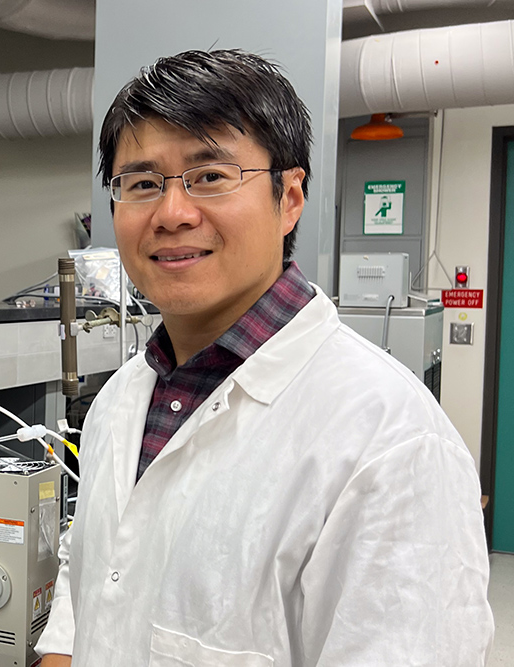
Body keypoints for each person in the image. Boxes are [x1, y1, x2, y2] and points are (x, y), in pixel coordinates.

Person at [36, 50, 493, 667]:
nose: (172, 214)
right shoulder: (122, 398)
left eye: (211, 176)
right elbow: (95, 568)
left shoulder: (390, 439)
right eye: (142, 184)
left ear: (290, 198)